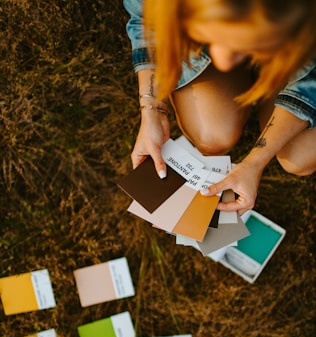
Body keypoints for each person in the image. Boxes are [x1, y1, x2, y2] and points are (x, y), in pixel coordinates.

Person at [123, 0, 316, 214]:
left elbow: (310, 84)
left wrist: (255, 162)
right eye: (212, 37)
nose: (223, 62)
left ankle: (270, 76)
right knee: (212, 135)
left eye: (243, 46)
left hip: (298, 56)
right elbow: (148, 21)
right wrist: (152, 108)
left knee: (299, 158)